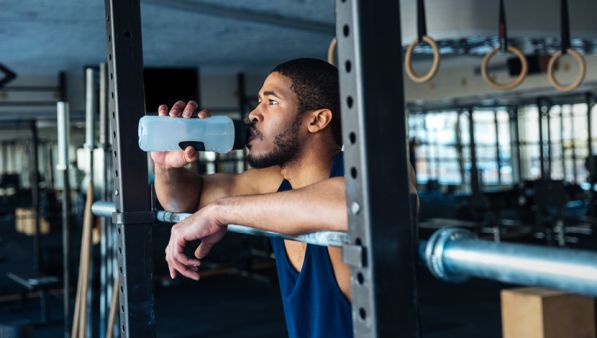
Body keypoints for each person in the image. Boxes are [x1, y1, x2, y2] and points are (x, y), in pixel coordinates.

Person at [155, 58, 416, 338]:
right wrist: (166, 167)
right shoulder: (274, 184)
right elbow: (184, 202)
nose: (254, 113)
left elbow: (361, 203)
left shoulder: (376, 168)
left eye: (271, 102)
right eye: (258, 101)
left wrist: (220, 212)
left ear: (316, 120)